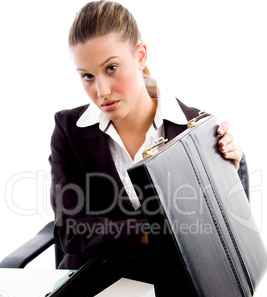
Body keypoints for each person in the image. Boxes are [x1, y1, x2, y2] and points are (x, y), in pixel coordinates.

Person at [49, 0, 244, 269]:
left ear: (140, 56)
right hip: (92, 281)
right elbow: (71, 231)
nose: (102, 91)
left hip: (179, 280)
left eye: (111, 68)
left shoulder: (197, 129)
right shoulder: (69, 130)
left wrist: (229, 172)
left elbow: (217, 229)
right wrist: (154, 231)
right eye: (87, 76)